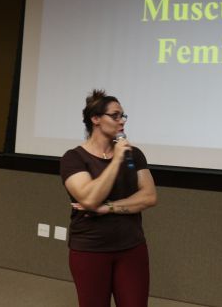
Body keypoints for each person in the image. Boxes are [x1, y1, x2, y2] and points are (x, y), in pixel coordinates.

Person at [60, 89, 157, 307]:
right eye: (115, 115)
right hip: (90, 249)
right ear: (95, 119)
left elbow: (149, 196)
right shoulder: (73, 158)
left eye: (123, 115)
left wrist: (108, 207)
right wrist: (115, 161)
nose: (122, 120)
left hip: (132, 246)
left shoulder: (134, 154)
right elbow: (90, 199)